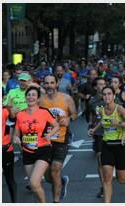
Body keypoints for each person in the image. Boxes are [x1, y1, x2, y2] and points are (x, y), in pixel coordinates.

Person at [13, 86, 59, 202]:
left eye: (34, 95)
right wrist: (16, 138)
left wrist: (50, 135)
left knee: (33, 183)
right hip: (27, 152)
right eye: (29, 95)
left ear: (38, 99)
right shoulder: (20, 115)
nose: (31, 97)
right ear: (26, 97)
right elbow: (16, 133)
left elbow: (56, 126)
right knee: (35, 186)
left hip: (43, 150)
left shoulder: (44, 112)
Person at [88, 86, 125, 203]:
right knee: (107, 178)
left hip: (121, 146)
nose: (106, 96)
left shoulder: (120, 109)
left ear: (114, 96)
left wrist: (119, 123)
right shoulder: (102, 110)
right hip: (107, 145)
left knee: (121, 178)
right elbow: (102, 121)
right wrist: (94, 129)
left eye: (109, 94)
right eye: (104, 94)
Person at [40, 74, 77, 203]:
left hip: (61, 138)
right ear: (43, 85)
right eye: (46, 83)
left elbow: (74, 113)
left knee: (55, 169)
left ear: (57, 84)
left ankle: (56, 202)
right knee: (48, 176)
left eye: (51, 83)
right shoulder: (40, 100)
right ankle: (61, 182)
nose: (49, 85)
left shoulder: (66, 99)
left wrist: (69, 118)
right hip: (45, 140)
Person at [88, 77, 107, 198]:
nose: (103, 86)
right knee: (100, 161)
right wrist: (90, 127)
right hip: (100, 133)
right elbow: (92, 115)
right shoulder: (92, 101)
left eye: (104, 84)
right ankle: (104, 186)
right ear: (96, 87)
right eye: (100, 84)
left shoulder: (112, 98)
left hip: (114, 133)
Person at [2, 106, 17, 203]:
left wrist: (12, 112)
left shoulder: (4, 111)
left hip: (5, 149)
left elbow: (14, 120)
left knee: (9, 179)